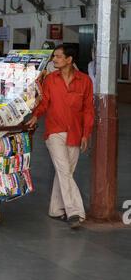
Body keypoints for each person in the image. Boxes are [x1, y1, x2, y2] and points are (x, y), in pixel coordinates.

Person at [26, 43, 94, 229]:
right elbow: (45, 102)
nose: (53, 59)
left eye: (57, 56)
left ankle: (56, 209)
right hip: (54, 132)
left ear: (69, 60)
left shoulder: (85, 81)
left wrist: (86, 134)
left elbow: (88, 110)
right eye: (53, 56)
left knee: (65, 172)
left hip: (75, 133)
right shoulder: (50, 80)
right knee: (64, 170)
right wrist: (35, 116)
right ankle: (76, 212)